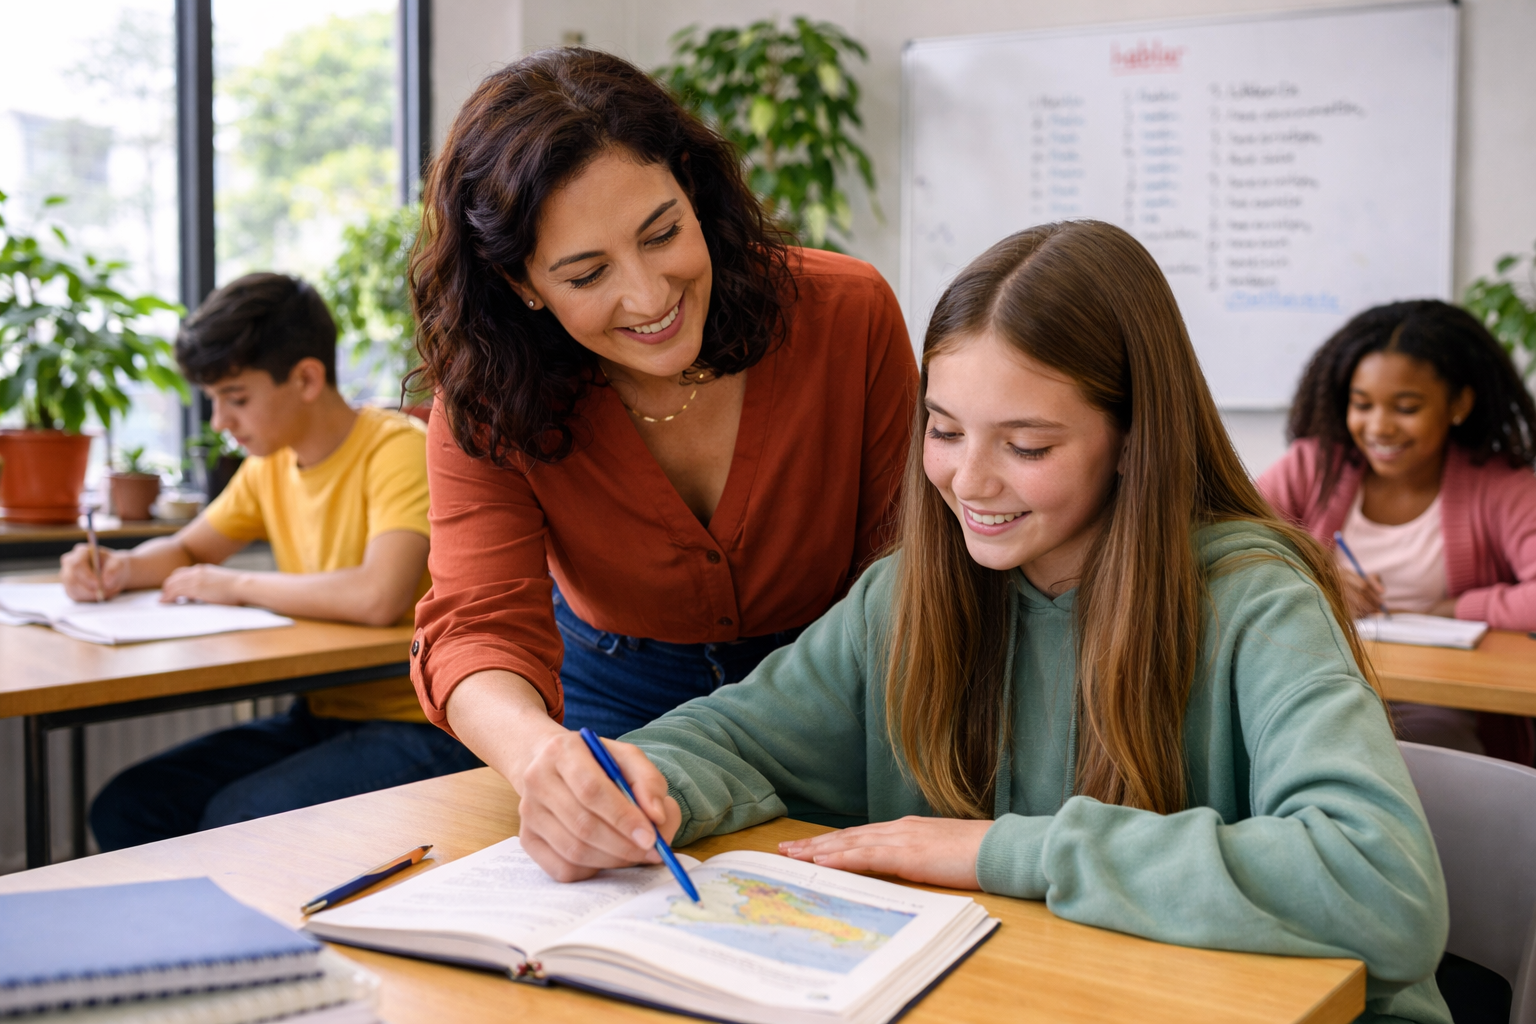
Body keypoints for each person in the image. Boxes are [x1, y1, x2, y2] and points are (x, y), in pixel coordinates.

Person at [514, 222, 1453, 1024]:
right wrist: (643, 783)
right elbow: (739, 741)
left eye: (1028, 444)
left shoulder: (1255, 599)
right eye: (946, 428)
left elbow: (1381, 888)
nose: (969, 481)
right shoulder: (913, 592)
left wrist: (1001, 851)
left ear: (1134, 440)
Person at [408, 47, 917, 774]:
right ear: (519, 281)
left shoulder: (847, 314)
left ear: (690, 185)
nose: (650, 298)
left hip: (834, 679)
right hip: (610, 689)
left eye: (663, 234)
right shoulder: (489, 396)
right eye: (587, 274)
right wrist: (540, 759)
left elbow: (907, 571)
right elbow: (477, 626)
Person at [67, 273, 480, 851]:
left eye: (236, 398)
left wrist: (234, 584)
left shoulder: (396, 450)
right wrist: (116, 567)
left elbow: (377, 595)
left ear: (307, 378)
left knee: (235, 818)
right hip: (323, 713)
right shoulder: (270, 465)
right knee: (129, 806)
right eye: (213, 401)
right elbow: (187, 549)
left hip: (427, 725)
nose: (219, 423)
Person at [1258, 300, 1536, 762]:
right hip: (1316, 687)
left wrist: (1459, 608)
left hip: (1441, 709)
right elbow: (1224, 541)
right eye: (1361, 405)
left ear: (1459, 405)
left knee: (1415, 768)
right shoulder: (1313, 466)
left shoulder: (1501, 486)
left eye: (1406, 407)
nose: (1380, 427)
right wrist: (1312, 578)